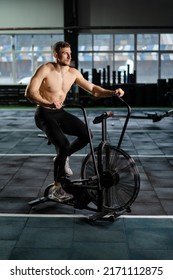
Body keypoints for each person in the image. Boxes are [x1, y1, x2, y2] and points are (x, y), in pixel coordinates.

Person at [25, 41, 124, 203]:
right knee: (63, 144)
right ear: (56, 55)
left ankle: (63, 157)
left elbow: (93, 90)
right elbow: (30, 93)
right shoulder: (45, 69)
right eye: (65, 53)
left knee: (87, 135)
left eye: (70, 53)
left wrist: (113, 92)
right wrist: (47, 103)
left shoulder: (73, 73)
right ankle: (58, 188)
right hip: (44, 113)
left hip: (60, 112)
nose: (70, 56)